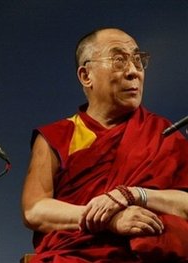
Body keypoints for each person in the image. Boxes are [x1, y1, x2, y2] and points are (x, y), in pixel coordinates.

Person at [21, 27, 188, 262]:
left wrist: (135, 195)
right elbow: (34, 210)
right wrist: (107, 219)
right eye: (119, 60)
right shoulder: (59, 136)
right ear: (86, 75)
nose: (133, 72)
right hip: (76, 255)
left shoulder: (163, 133)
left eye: (138, 61)